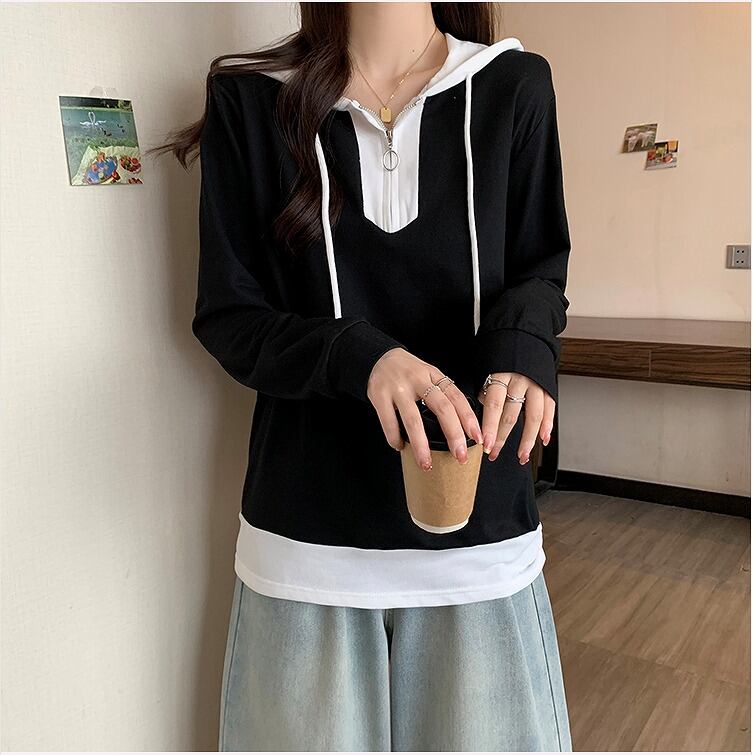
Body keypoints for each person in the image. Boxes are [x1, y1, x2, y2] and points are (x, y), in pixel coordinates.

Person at [154, 2, 572, 750]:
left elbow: (540, 265)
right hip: (306, 544)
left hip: (478, 540)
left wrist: (524, 344)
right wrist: (362, 356)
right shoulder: (250, 100)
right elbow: (229, 316)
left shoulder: (513, 84)